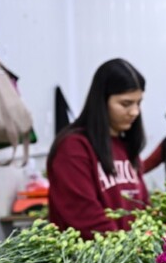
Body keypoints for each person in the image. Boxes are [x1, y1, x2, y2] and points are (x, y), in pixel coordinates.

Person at [47, 58, 150, 240]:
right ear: (102, 101)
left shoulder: (126, 146)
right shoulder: (74, 147)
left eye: (138, 103)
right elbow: (84, 215)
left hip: (129, 259)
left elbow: (144, 207)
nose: (135, 112)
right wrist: (128, 251)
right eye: (126, 104)